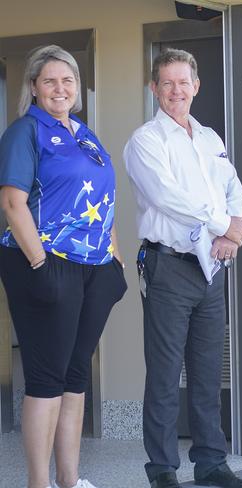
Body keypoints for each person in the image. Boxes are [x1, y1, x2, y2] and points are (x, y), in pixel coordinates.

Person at [123, 49, 242, 488]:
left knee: (204, 371)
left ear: (196, 86)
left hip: (210, 270)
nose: (176, 91)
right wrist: (224, 227)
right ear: (154, 89)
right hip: (168, 267)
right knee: (164, 373)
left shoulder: (210, 138)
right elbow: (167, 197)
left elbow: (235, 192)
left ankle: (211, 463)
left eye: (184, 82)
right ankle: (162, 470)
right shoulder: (146, 140)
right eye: (167, 84)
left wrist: (232, 231)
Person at [0, 45, 127, 488]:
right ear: (33, 87)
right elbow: (13, 202)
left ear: (77, 87)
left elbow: (103, 198)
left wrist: (113, 255)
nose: (60, 88)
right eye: (50, 80)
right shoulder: (24, 132)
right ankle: (39, 483)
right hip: (44, 264)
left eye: (68, 80)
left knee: (75, 377)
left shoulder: (85, 134)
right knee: (47, 379)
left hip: (94, 269)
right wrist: (39, 261)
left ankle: (69, 482)